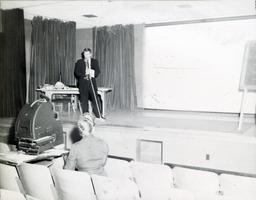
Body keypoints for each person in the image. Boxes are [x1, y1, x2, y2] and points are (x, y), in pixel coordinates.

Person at [74, 48, 102, 118]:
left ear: (90, 54)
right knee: (84, 99)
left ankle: (98, 115)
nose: (86, 56)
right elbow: (76, 73)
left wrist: (92, 73)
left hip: (92, 83)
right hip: (83, 84)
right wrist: (85, 73)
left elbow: (98, 71)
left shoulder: (94, 61)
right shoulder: (79, 62)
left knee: (95, 99)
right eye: (85, 54)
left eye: (87, 54)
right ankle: (86, 115)